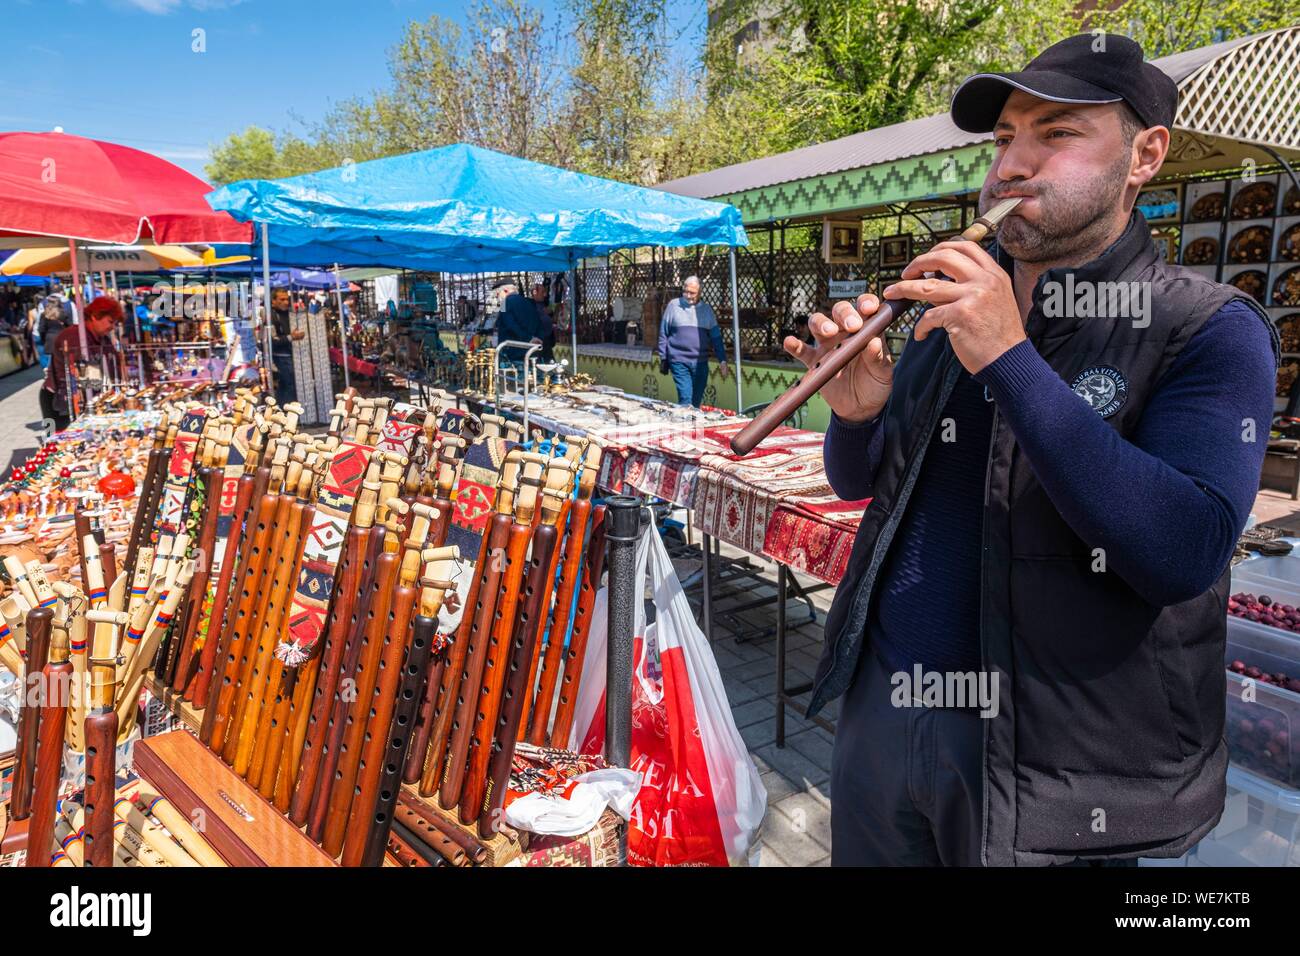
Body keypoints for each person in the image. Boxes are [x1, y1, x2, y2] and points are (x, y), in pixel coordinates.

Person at [789, 34, 1278, 867]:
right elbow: (859, 484)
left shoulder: (1205, 328)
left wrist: (1012, 361)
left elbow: (1182, 551)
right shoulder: (950, 316)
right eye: (1004, 138)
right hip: (886, 724)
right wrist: (859, 415)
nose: (1013, 164)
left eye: (1057, 134)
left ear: (1144, 155)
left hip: (1064, 782)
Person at [40, 295, 123, 433]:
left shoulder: (102, 338)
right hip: (61, 402)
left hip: (84, 399)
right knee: (62, 447)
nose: (112, 327)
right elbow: (85, 375)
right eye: (110, 322)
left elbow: (115, 362)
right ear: (95, 316)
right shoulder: (74, 336)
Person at [656, 276, 728, 407]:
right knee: (685, 398)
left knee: (695, 401)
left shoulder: (707, 311)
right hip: (678, 360)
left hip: (700, 362)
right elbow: (663, 333)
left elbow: (716, 338)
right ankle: (685, 425)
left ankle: (691, 425)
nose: (688, 296)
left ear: (700, 292)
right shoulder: (673, 306)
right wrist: (663, 357)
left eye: (692, 293)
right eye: (685, 291)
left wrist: (722, 360)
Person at [267, 287, 304, 405]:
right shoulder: (270, 317)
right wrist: (291, 337)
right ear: (273, 301)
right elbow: (272, 341)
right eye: (281, 299)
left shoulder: (290, 315)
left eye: (286, 299)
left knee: (288, 385)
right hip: (280, 358)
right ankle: (286, 415)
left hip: (292, 356)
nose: (285, 302)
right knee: (288, 385)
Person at [495, 281, 540, 363]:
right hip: (530, 350)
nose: (497, 296)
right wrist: (533, 338)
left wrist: (528, 338)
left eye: (498, 293)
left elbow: (509, 325)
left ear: (505, 291)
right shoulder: (528, 302)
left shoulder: (504, 303)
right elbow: (538, 323)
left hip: (510, 351)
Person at [530, 282, 556, 363]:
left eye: (545, 292)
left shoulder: (545, 304)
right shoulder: (530, 305)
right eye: (542, 292)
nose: (545, 295)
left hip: (547, 339)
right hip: (537, 340)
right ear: (534, 292)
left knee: (550, 362)